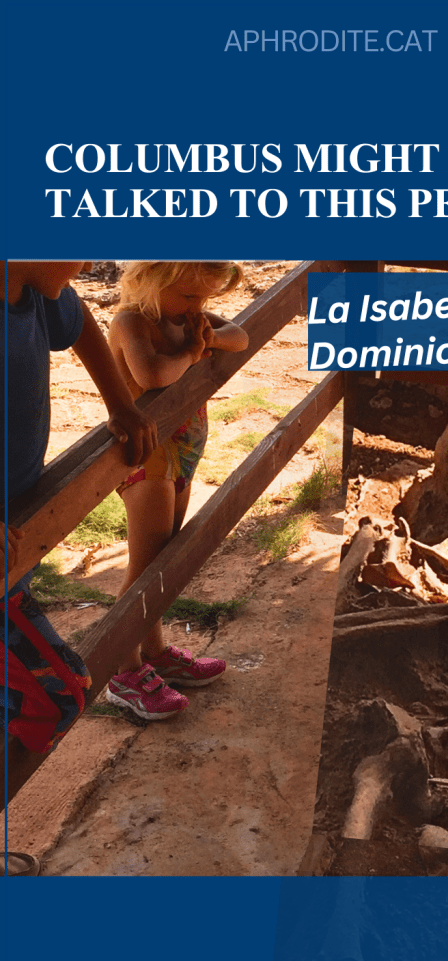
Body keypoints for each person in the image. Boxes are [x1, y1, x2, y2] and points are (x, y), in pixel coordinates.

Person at [1, 260, 157, 875]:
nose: (86, 260)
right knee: (56, 694)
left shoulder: (40, 294)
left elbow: (83, 324)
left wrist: (121, 405)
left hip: (17, 540)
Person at [106, 261, 248, 720]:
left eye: (205, 299)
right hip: (147, 456)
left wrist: (205, 334)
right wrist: (192, 353)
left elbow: (240, 337)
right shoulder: (131, 321)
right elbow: (150, 375)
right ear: (152, 280)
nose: (199, 307)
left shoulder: (185, 319)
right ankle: (121, 668)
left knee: (163, 558)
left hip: (182, 451)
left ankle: (154, 651)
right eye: (189, 297)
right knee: (144, 565)